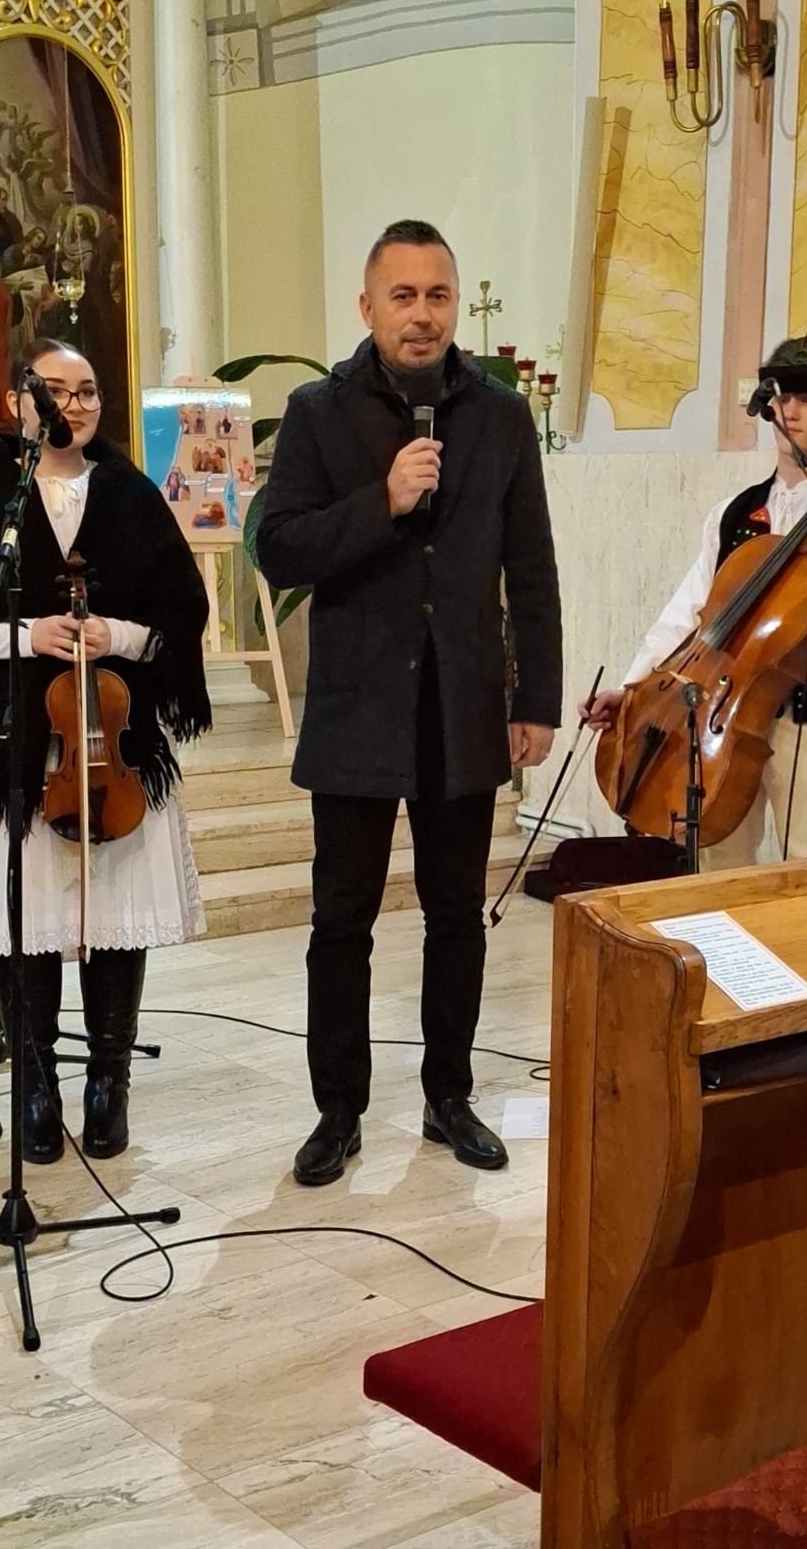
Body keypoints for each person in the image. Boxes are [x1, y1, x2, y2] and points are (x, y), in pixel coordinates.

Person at [257, 219, 563, 1186]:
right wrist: (381, 502)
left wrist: (536, 696)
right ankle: (336, 1110)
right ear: (367, 307)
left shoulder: (499, 416)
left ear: (454, 304)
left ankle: (448, 1096)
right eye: (403, 296)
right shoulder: (317, 412)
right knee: (341, 918)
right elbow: (279, 547)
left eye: (437, 295)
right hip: (357, 705)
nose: (422, 314)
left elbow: (532, 566)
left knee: (455, 914)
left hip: (461, 706)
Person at [0, 338, 212, 1162]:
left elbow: (182, 610)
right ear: (17, 402)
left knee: (113, 917)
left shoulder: (130, 492)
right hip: (12, 744)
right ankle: (35, 1079)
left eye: (89, 391)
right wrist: (23, 636)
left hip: (114, 748)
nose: (76, 406)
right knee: (22, 915)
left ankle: (109, 1079)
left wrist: (121, 635)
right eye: (57, 391)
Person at [583, 333, 807, 863]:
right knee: (720, 864)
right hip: (722, 721)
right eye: (783, 398)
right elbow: (689, 614)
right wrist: (635, 687)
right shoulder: (733, 512)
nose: (791, 411)